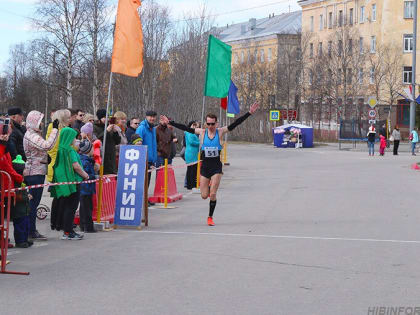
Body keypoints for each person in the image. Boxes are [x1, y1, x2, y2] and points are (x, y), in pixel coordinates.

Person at [161, 102, 259, 226]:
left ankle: (210, 217)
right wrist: (170, 122)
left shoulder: (220, 131)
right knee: (204, 195)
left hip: (216, 167)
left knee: (213, 194)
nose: (211, 126)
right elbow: (185, 128)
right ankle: (208, 186)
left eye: (213, 124)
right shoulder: (202, 132)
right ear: (206, 123)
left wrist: (249, 113)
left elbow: (235, 123)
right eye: (208, 124)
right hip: (205, 167)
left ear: (216, 123)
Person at [23, 110, 59, 241]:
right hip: (34, 173)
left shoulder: (32, 134)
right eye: (39, 121)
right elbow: (47, 145)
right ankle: (30, 230)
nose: (42, 124)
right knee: (32, 204)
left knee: (34, 203)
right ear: (34, 122)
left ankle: (30, 230)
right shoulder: (31, 135)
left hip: (37, 171)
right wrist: (55, 130)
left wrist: (45, 158)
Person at [50, 127, 89, 240]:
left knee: (66, 206)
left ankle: (66, 230)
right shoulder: (70, 150)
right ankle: (68, 231)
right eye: (74, 137)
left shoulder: (61, 149)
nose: (75, 139)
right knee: (71, 207)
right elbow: (75, 165)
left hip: (64, 182)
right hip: (73, 182)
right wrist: (85, 175)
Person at [11, 155, 32, 248]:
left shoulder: (22, 181)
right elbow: (18, 197)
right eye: (25, 169)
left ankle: (25, 239)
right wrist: (27, 197)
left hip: (25, 209)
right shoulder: (16, 182)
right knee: (20, 226)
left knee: (26, 224)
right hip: (19, 210)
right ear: (20, 170)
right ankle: (20, 241)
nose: (26, 171)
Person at [93, 109, 121, 174]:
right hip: (102, 155)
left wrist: (115, 132)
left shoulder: (110, 126)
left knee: (112, 175)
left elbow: (117, 141)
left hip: (111, 156)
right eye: (104, 117)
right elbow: (97, 140)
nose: (106, 119)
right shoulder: (95, 127)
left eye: (107, 117)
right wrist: (106, 131)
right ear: (100, 118)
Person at [78, 139, 98, 233]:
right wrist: (94, 176)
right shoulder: (85, 161)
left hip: (85, 188)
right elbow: (87, 174)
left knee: (85, 207)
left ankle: (83, 225)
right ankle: (88, 227)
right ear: (88, 150)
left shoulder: (87, 160)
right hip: (85, 188)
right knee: (87, 208)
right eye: (92, 148)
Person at [47, 109, 71, 183]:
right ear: (62, 119)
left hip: (53, 166)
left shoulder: (52, 128)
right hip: (60, 167)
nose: (70, 120)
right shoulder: (63, 131)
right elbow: (68, 149)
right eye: (68, 118)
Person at [135, 110, 157, 186]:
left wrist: (153, 159)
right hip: (143, 160)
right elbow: (137, 143)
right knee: (142, 183)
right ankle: (142, 197)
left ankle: (144, 197)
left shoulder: (153, 128)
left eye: (154, 117)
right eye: (150, 116)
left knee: (147, 182)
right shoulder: (141, 128)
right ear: (146, 117)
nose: (152, 118)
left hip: (150, 160)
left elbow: (153, 144)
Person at [184, 121, 200, 190]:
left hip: (193, 153)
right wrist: (200, 142)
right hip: (191, 153)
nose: (195, 127)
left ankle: (191, 184)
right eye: (193, 125)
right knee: (192, 170)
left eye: (195, 125)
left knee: (192, 169)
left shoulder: (192, 133)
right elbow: (191, 142)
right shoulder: (189, 132)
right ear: (190, 125)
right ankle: (191, 185)